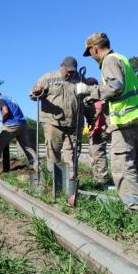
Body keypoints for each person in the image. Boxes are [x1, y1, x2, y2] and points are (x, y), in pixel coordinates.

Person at [76, 32, 138, 212]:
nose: (92, 58)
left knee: (122, 166)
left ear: (94, 48)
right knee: (135, 165)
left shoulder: (109, 61)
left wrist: (91, 93)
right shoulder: (121, 58)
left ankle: (135, 209)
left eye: (91, 53)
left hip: (126, 121)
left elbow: (115, 87)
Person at [30, 57, 84, 204]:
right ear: (61, 67)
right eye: (67, 71)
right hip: (53, 122)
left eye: (72, 72)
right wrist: (37, 92)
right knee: (52, 153)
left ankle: (70, 190)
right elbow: (33, 94)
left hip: (74, 124)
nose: (69, 75)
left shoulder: (79, 79)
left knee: (72, 156)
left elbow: (86, 100)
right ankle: (52, 185)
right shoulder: (49, 77)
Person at [0, 90, 38, 175]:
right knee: (27, 147)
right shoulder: (9, 98)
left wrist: (3, 121)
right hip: (22, 124)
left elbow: (5, 111)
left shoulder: (0, 100)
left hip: (12, 125)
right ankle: (38, 167)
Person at [83, 77, 110, 186]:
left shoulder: (97, 100)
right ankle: (97, 178)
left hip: (98, 131)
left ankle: (102, 179)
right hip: (94, 132)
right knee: (94, 156)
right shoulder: (96, 100)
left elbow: (98, 112)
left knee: (99, 155)